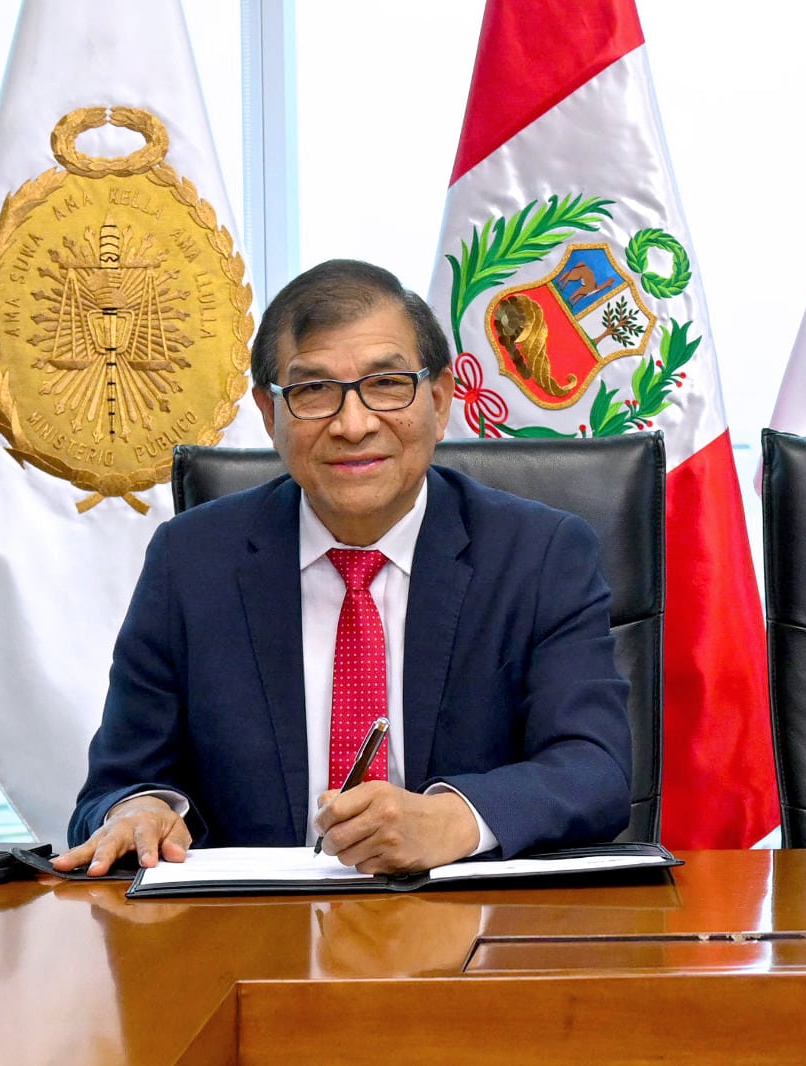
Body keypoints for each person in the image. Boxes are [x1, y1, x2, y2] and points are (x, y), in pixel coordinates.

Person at [57, 259, 631, 876]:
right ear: (270, 413)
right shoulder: (191, 561)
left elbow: (594, 767)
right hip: (251, 940)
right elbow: (118, 783)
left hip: (475, 935)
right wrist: (139, 809)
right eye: (313, 391)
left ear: (439, 402)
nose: (353, 425)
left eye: (387, 384)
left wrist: (454, 819)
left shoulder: (539, 554)